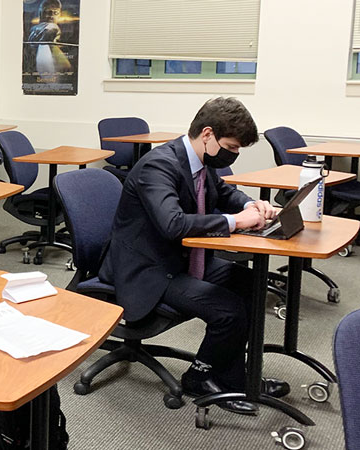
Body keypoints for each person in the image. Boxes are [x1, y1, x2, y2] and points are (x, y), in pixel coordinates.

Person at [99, 97, 289, 415]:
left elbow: (225, 192)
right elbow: (173, 224)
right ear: (207, 134)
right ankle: (199, 377)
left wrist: (250, 206)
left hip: (181, 260)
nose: (233, 154)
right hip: (148, 269)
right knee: (227, 310)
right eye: (231, 146)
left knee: (250, 284)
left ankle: (237, 377)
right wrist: (235, 223)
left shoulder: (199, 162)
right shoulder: (158, 165)